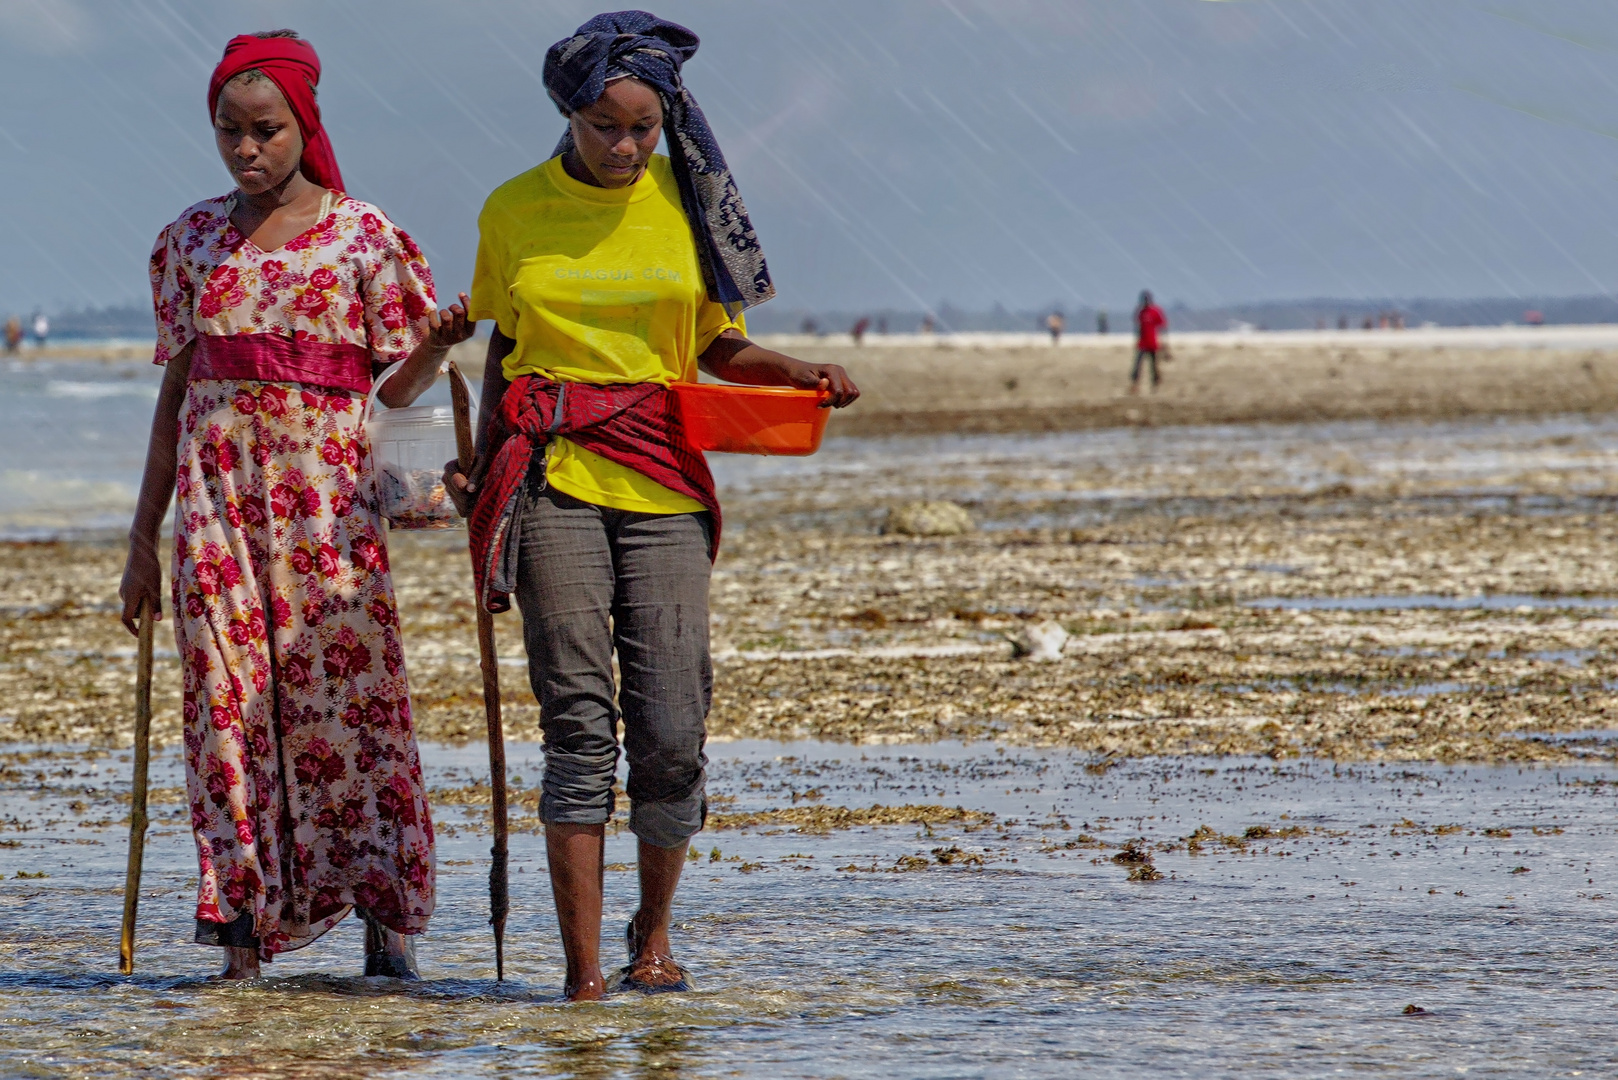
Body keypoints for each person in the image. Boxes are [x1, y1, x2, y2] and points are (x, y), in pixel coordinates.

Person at [446, 10, 858, 1001]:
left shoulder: (691, 202)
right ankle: (584, 975)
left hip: (664, 479)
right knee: (579, 727)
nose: (626, 147)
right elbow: (503, 350)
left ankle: (654, 939)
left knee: (672, 725)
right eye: (604, 126)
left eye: (641, 127)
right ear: (569, 115)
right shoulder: (511, 210)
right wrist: (481, 467)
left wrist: (799, 370)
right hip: (551, 477)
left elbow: (716, 346)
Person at [118, 29, 472, 981]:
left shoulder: (366, 237)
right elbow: (177, 393)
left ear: (303, 125)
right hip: (218, 516)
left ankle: (386, 923)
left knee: (347, 711)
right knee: (223, 713)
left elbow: (396, 390)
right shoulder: (190, 242)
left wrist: (435, 347)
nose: (245, 150)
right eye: (228, 131)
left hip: (330, 526)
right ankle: (241, 932)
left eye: (265, 130)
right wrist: (141, 541)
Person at [1130, 290, 1166, 393]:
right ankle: (1135, 385)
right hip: (1142, 343)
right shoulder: (1140, 312)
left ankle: (1155, 386)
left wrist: (1164, 344)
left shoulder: (1155, 311)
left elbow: (1162, 326)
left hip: (1152, 343)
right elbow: (1138, 327)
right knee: (1137, 365)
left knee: (1153, 366)